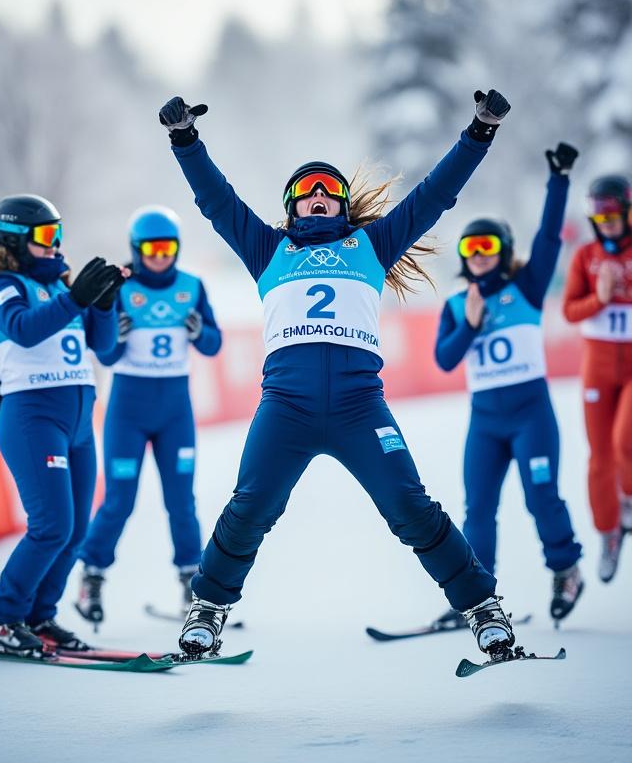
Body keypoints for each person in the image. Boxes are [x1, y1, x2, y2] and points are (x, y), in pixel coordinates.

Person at [156, 89, 522, 660]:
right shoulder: (267, 249)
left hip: (359, 408)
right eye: (307, 190)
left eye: (331, 190)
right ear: (291, 207)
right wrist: (186, 141)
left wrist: (479, 131)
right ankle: (207, 610)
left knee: (411, 507)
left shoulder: (371, 245)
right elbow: (216, 202)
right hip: (287, 408)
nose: (320, 195)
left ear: (346, 208)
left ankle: (482, 609)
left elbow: (434, 196)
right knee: (250, 507)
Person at [0, 194, 127, 655]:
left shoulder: (59, 285)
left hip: (77, 417)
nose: (56, 245)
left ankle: (40, 615)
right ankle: (1, 619)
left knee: (75, 530)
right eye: (45, 236)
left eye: (59, 234)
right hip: (34, 417)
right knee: (51, 525)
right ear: (15, 241)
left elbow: (105, 347)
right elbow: (26, 328)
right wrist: (77, 297)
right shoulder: (3, 286)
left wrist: (103, 303)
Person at [434, 143, 584, 626]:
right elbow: (444, 359)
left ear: (502, 251)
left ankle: (566, 570)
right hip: (487, 421)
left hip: (530, 413)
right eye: (470, 248)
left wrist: (558, 180)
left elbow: (548, 239)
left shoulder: (528, 287)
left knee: (541, 497)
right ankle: (478, 597)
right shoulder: (458, 305)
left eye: (488, 246)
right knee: (478, 507)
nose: (478, 256)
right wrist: (470, 325)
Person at [75, 205, 222, 627]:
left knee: (181, 501)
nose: (160, 256)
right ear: (136, 251)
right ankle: (92, 577)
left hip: (175, 407)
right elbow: (103, 352)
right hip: (128, 407)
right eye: (151, 249)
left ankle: (192, 586)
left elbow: (214, 344)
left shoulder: (191, 286)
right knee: (120, 499)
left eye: (168, 248)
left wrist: (199, 332)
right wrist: (115, 337)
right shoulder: (119, 288)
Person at [562, 173, 632, 582]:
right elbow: (570, 310)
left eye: (613, 218)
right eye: (600, 220)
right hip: (598, 366)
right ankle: (608, 533)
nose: (607, 227)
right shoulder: (585, 256)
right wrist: (599, 299)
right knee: (599, 456)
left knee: (625, 441)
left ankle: (628, 499)